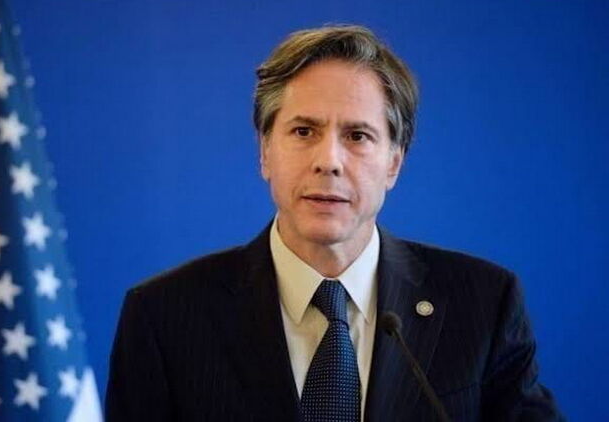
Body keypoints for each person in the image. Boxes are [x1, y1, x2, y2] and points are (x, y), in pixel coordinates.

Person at [105, 25, 563, 421]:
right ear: (265, 151)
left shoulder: (482, 303)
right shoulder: (165, 316)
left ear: (394, 162)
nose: (329, 161)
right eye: (304, 131)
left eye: (357, 135)